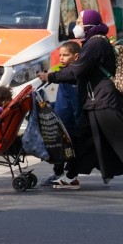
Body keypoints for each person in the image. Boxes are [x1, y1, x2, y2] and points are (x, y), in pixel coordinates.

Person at [38, 9, 123, 192]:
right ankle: (71, 177)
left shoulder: (96, 44)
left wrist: (51, 77)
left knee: (120, 135)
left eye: (79, 21)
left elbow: (77, 70)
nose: (76, 25)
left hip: (103, 100)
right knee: (86, 141)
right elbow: (79, 74)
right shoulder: (93, 43)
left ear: (89, 24)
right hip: (94, 100)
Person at [42, 40, 83, 185]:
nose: (61, 58)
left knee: (64, 150)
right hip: (61, 119)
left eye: (65, 55)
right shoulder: (65, 72)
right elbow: (63, 101)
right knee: (59, 149)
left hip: (69, 123)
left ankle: (63, 174)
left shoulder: (72, 75)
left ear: (76, 56)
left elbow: (74, 103)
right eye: (60, 55)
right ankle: (62, 173)